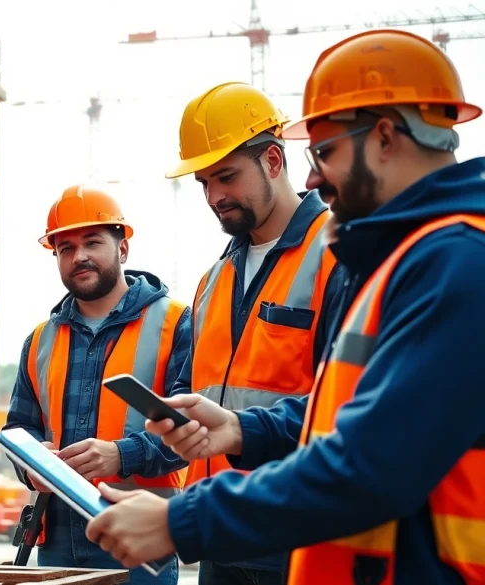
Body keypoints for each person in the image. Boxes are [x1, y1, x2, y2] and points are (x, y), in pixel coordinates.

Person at [84, 29, 485, 585]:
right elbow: (345, 414)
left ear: (387, 137)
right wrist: (243, 430)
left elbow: (369, 466)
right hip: (282, 530)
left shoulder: (457, 264)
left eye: (324, 152)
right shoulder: (412, 258)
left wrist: (182, 519)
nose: (314, 175)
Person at [158, 81, 348, 584]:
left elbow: (346, 408)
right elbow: (189, 386)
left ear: (271, 159)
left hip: (300, 537)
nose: (214, 196)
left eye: (226, 176)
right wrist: (174, 417)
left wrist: (243, 430)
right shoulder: (212, 280)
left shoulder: (339, 256)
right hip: (221, 533)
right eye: (203, 182)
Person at [3, 186, 191, 584]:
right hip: (56, 543)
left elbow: (192, 430)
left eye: (92, 242)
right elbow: (18, 429)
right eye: (65, 248)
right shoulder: (39, 340)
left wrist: (122, 455)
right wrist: (32, 463)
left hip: (141, 538)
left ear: (123, 249)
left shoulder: (176, 325)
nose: (79, 256)